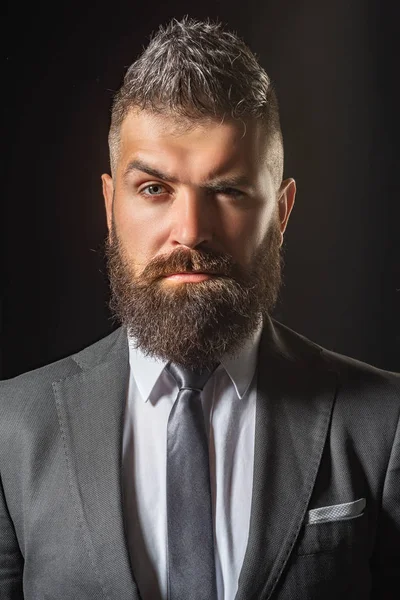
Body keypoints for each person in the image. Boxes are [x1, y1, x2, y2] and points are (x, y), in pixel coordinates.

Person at [0, 16, 399, 600]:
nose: (190, 230)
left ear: (281, 213)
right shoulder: (10, 429)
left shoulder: (385, 425)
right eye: (155, 189)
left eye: (229, 190)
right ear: (111, 205)